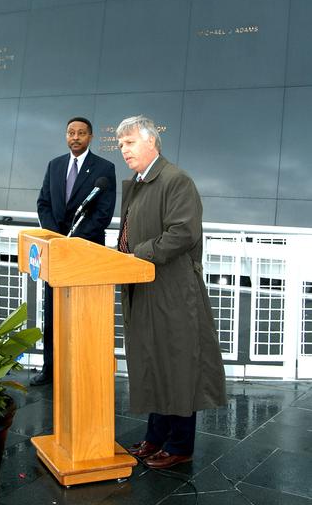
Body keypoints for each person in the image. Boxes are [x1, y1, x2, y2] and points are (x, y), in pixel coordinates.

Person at [116, 115, 226, 469]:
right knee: (152, 362)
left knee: (177, 366)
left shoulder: (176, 181)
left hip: (173, 291)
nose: (124, 150)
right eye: (120, 144)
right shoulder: (138, 183)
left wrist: (137, 256)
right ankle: (155, 437)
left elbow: (183, 233)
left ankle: (180, 445)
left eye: (129, 142)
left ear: (151, 142)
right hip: (145, 288)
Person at [32, 117, 116, 386]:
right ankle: (50, 369)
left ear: (90, 137)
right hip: (55, 252)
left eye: (81, 133)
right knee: (53, 312)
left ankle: (83, 371)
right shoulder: (54, 165)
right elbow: (43, 203)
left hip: (85, 252)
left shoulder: (104, 168)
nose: (75, 137)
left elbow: (103, 213)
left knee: (83, 315)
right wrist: (56, 237)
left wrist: (73, 241)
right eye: (71, 133)